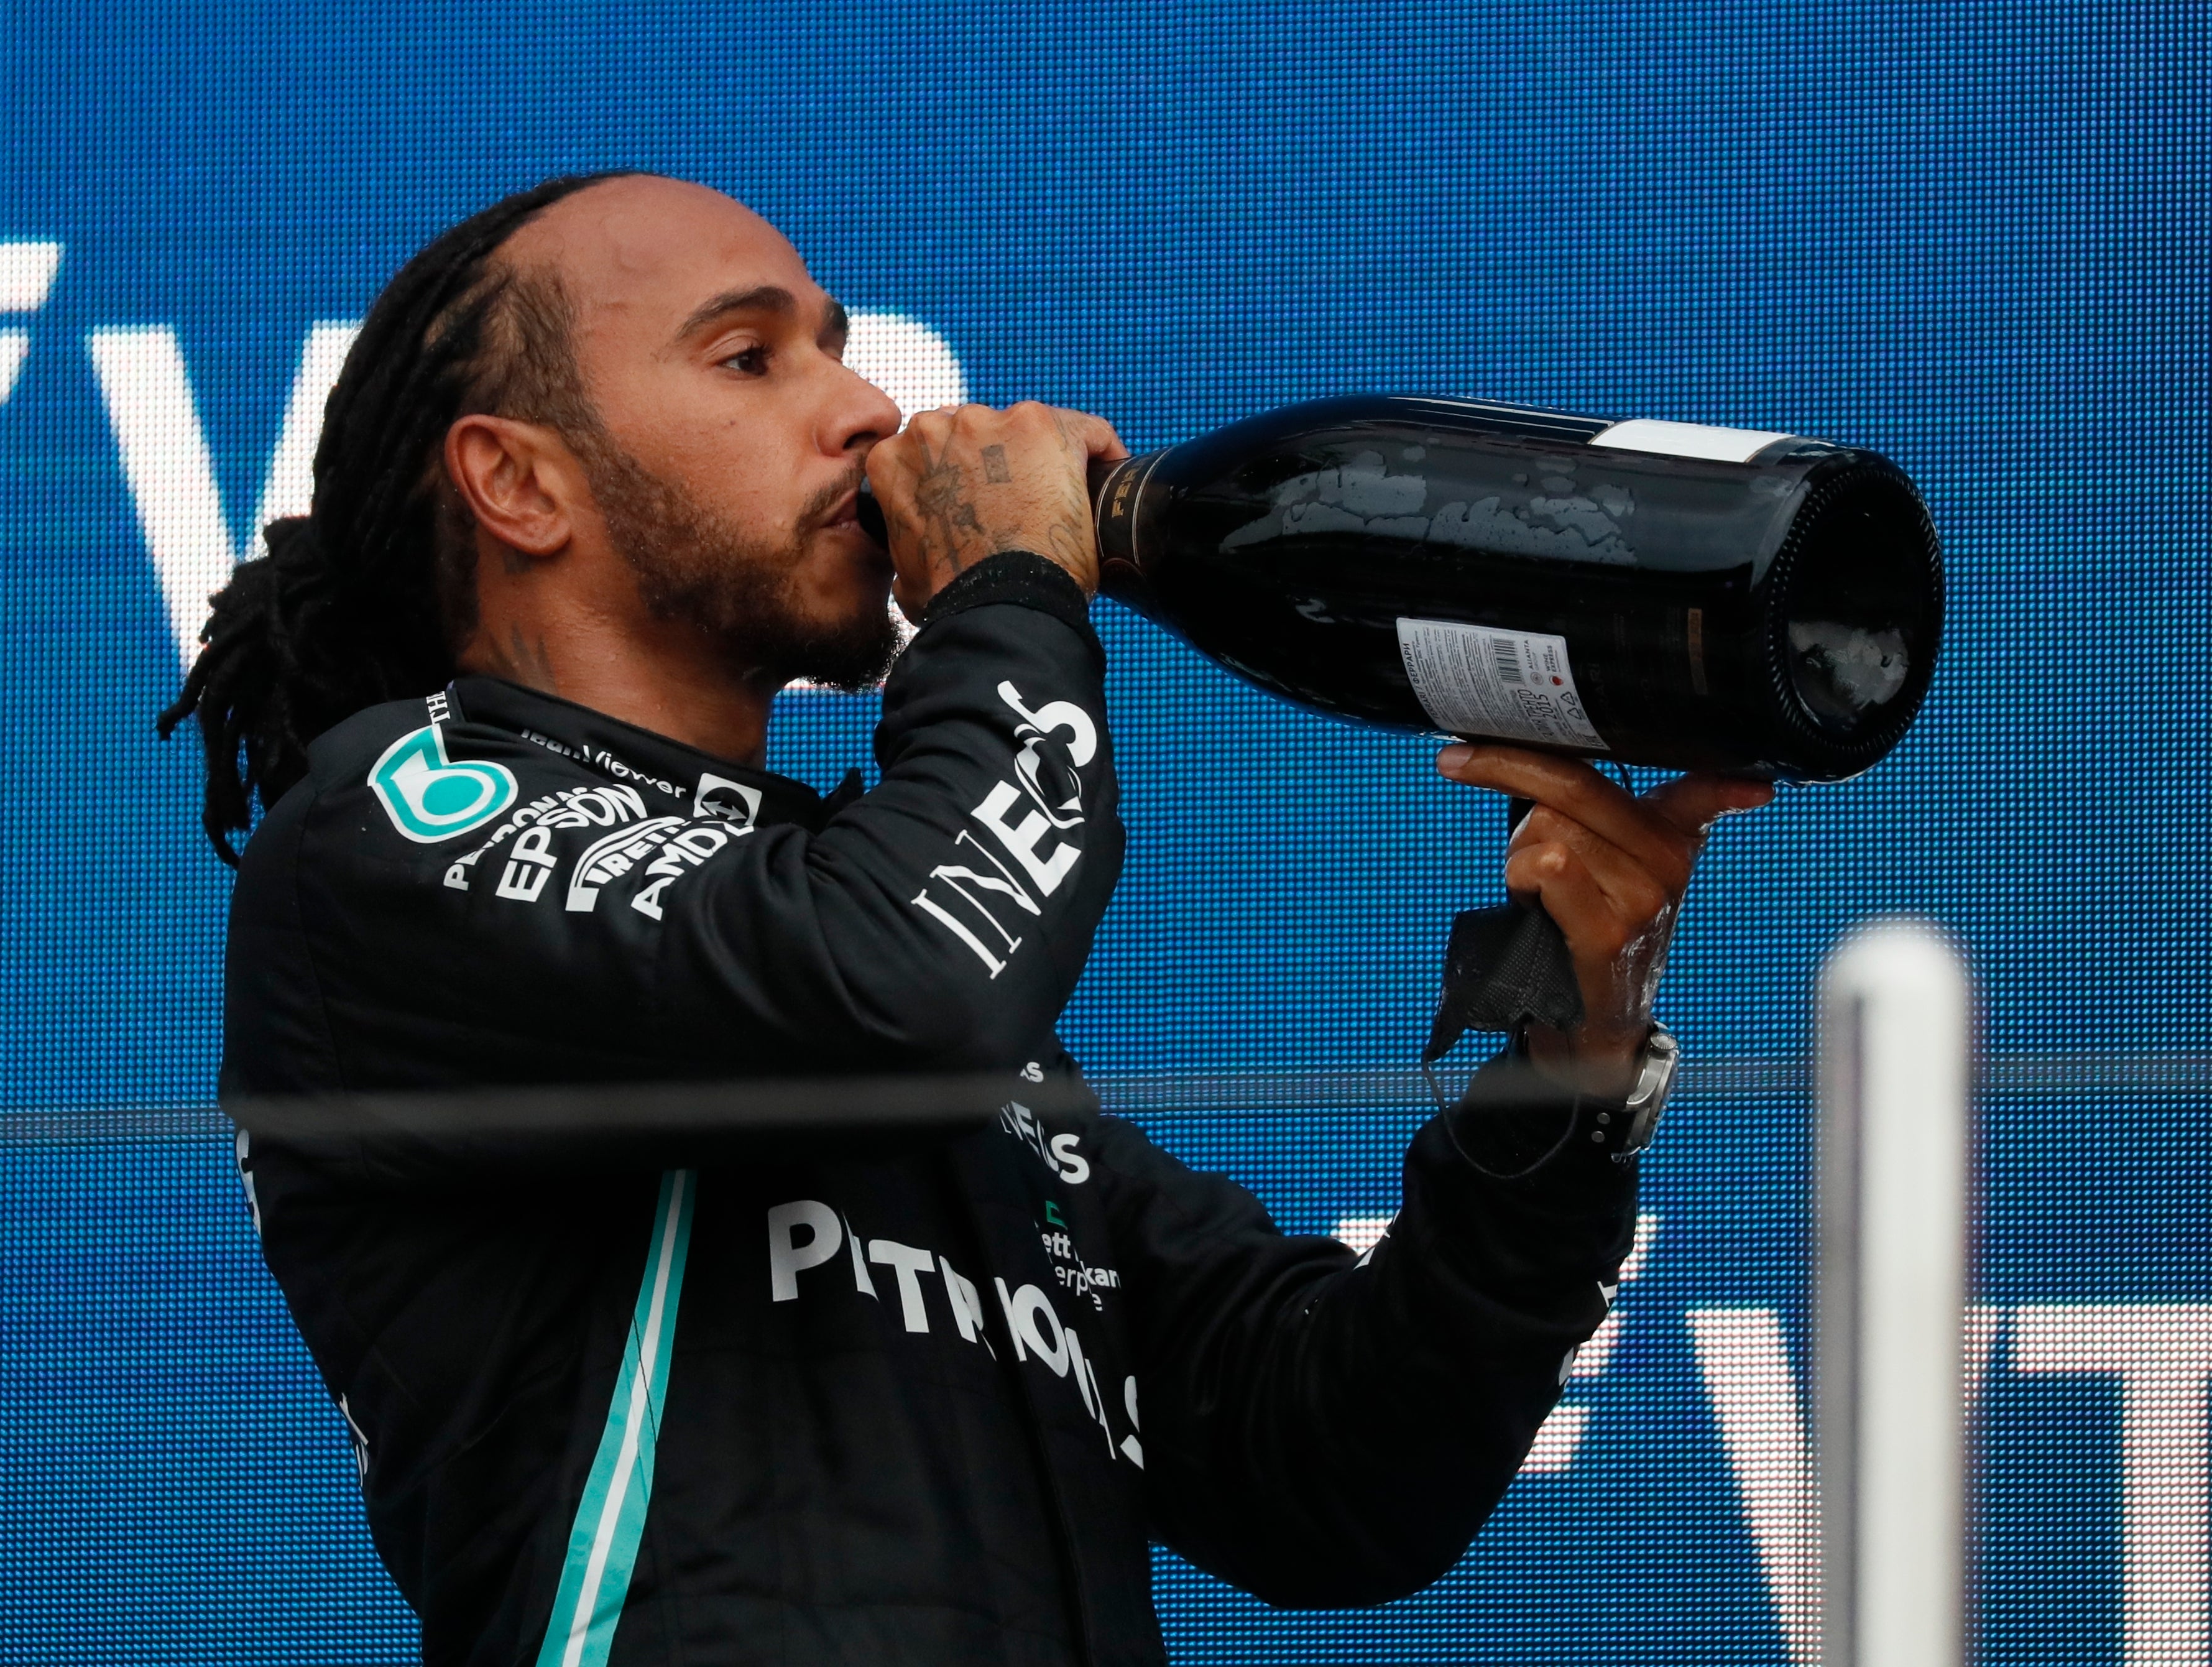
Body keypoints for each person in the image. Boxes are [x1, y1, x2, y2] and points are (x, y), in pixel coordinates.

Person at [162, 172, 1772, 1667]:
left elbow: (1337, 1471)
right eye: (749, 360)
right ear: (518, 479)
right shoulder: (397, 828)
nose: (864, 410)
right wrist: (1009, 591)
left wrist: (1568, 1044)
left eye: (839, 352)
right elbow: (897, 976)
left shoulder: (877, 976)